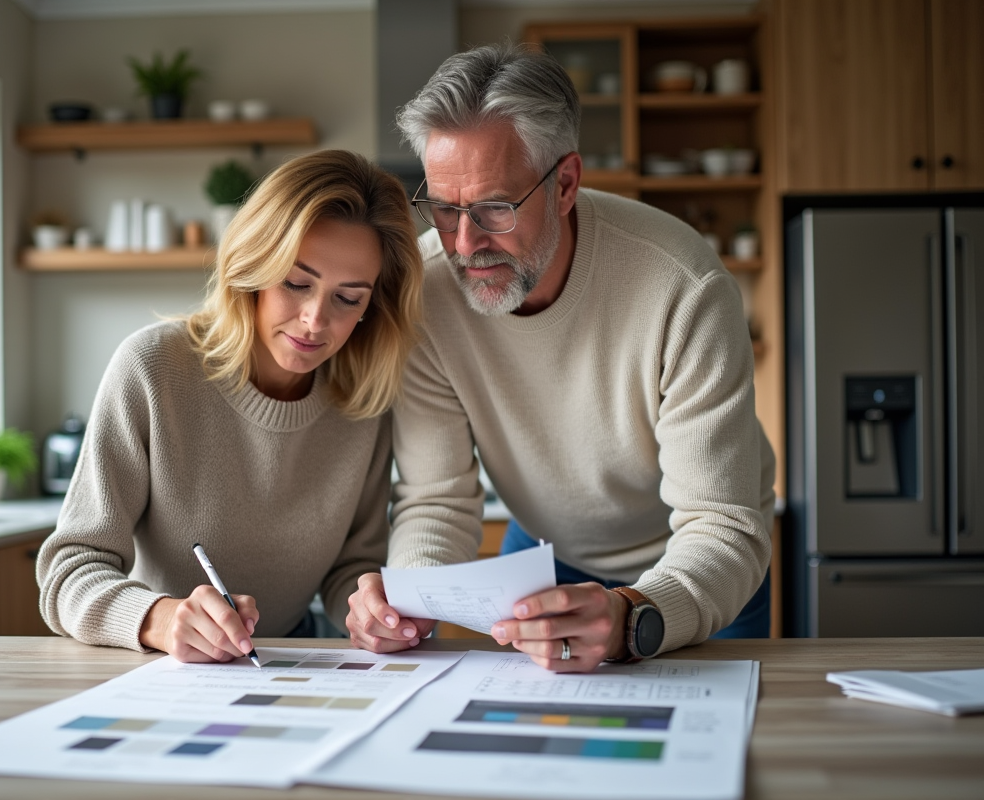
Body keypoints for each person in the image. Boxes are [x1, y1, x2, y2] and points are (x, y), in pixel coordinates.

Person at [346, 43, 775, 671]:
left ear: (566, 183)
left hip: (696, 563)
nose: (465, 244)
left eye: (495, 207)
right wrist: (408, 597)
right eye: (443, 207)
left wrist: (634, 612)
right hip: (544, 550)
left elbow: (722, 524)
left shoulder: (682, 287)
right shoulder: (425, 295)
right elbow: (436, 499)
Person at [38, 149, 423, 663]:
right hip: (155, 664)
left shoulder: (364, 400)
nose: (314, 320)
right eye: (295, 282)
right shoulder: (152, 369)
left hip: (285, 661)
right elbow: (68, 571)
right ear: (255, 266)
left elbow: (350, 568)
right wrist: (161, 618)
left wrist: (368, 609)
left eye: (347, 298)